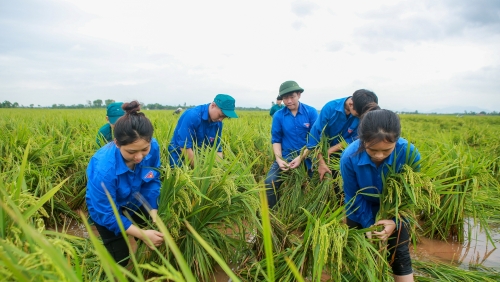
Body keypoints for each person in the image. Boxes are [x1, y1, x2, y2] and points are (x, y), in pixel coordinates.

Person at [340, 109, 420, 281]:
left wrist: (395, 222)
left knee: (400, 255)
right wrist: (371, 226)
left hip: (396, 210)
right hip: (359, 208)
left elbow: (412, 196)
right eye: (372, 149)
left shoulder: (409, 154)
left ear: (396, 141)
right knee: (359, 255)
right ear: (362, 140)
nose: (378, 155)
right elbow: (353, 196)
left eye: (386, 150)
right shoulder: (349, 157)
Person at [86, 101, 164, 267]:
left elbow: (152, 180)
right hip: (106, 210)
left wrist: (153, 209)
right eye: (131, 152)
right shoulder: (104, 169)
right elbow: (108, 214)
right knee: (120, 258)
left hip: (135, 198)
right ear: (117, 143)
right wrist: (143, 233)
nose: (139, 157)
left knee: (151, 235)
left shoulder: (153, 147)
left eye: (144, 149)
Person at [265, 81, 318, 208]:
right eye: (285, 98)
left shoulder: (311, 112)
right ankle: (273, 214)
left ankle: (308, 213)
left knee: (315, 184)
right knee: (269, 182)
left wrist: (301, 157)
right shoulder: (278, 115)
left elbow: (315, 139)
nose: (288, 101)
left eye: (292, 97)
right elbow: (276, 139)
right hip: (286, 156)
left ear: (299, 95)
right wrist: (279, 159)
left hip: (309, 157)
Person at [306, 89, 379, 180]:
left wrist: (330, 150)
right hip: (320, 153)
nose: (360, 119)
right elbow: (314, 137)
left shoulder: (362, 113)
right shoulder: (330, 108)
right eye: (358, 116)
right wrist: (321, 162)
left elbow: (355, 139)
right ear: (351, 104)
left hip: (344, 155)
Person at [168, 94, 238, 168]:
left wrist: (219, 169)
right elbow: (184, 147)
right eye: (220, 115)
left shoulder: (218, 123)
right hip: (179, 155)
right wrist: (199, 171)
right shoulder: (192, 116)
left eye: (224, 117)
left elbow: (217, 149)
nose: (221, 119)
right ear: (213, 105)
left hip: (199, 157)